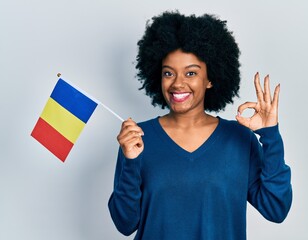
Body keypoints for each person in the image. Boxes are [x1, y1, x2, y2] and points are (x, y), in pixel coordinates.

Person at [108, 11, 292, 240]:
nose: (178, 83)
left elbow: (276, 208)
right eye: (168, 73)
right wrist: (131, 162)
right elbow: (125, 223)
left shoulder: (240, 139)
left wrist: (270, 136)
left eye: (191, 73)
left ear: (210, 78)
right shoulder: (136, 140)